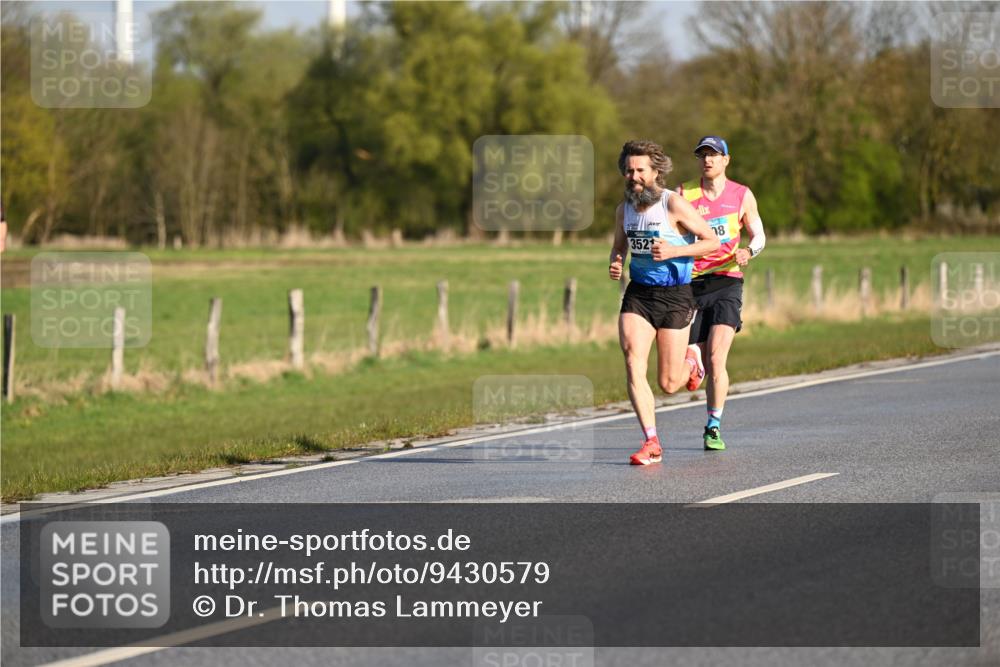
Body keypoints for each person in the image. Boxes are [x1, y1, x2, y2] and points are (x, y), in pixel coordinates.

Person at [609, 140, 719, 466]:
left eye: (640, 170)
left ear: (656, 171)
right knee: (633, 360)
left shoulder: (673, 204)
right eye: (629, 170)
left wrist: (675, 251)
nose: (634, 176)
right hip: (639, 295)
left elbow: (711, 241)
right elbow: (619, 246)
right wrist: (616, 261)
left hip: (675, 295)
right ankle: (651, 441)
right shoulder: (623, 210)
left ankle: (693, 362)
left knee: (669, 384)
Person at [678, 136, 767, 451]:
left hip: (727, 280)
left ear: (726, 160)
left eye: (714, 154)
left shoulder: (741, 195)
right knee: (687, 364)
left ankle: (713, 427)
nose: (707, 160)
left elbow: (759, 235)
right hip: (690, 283)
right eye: (702, 155)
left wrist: (748, 251)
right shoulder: (683, 194)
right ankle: (695, 363)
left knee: (717, 358)